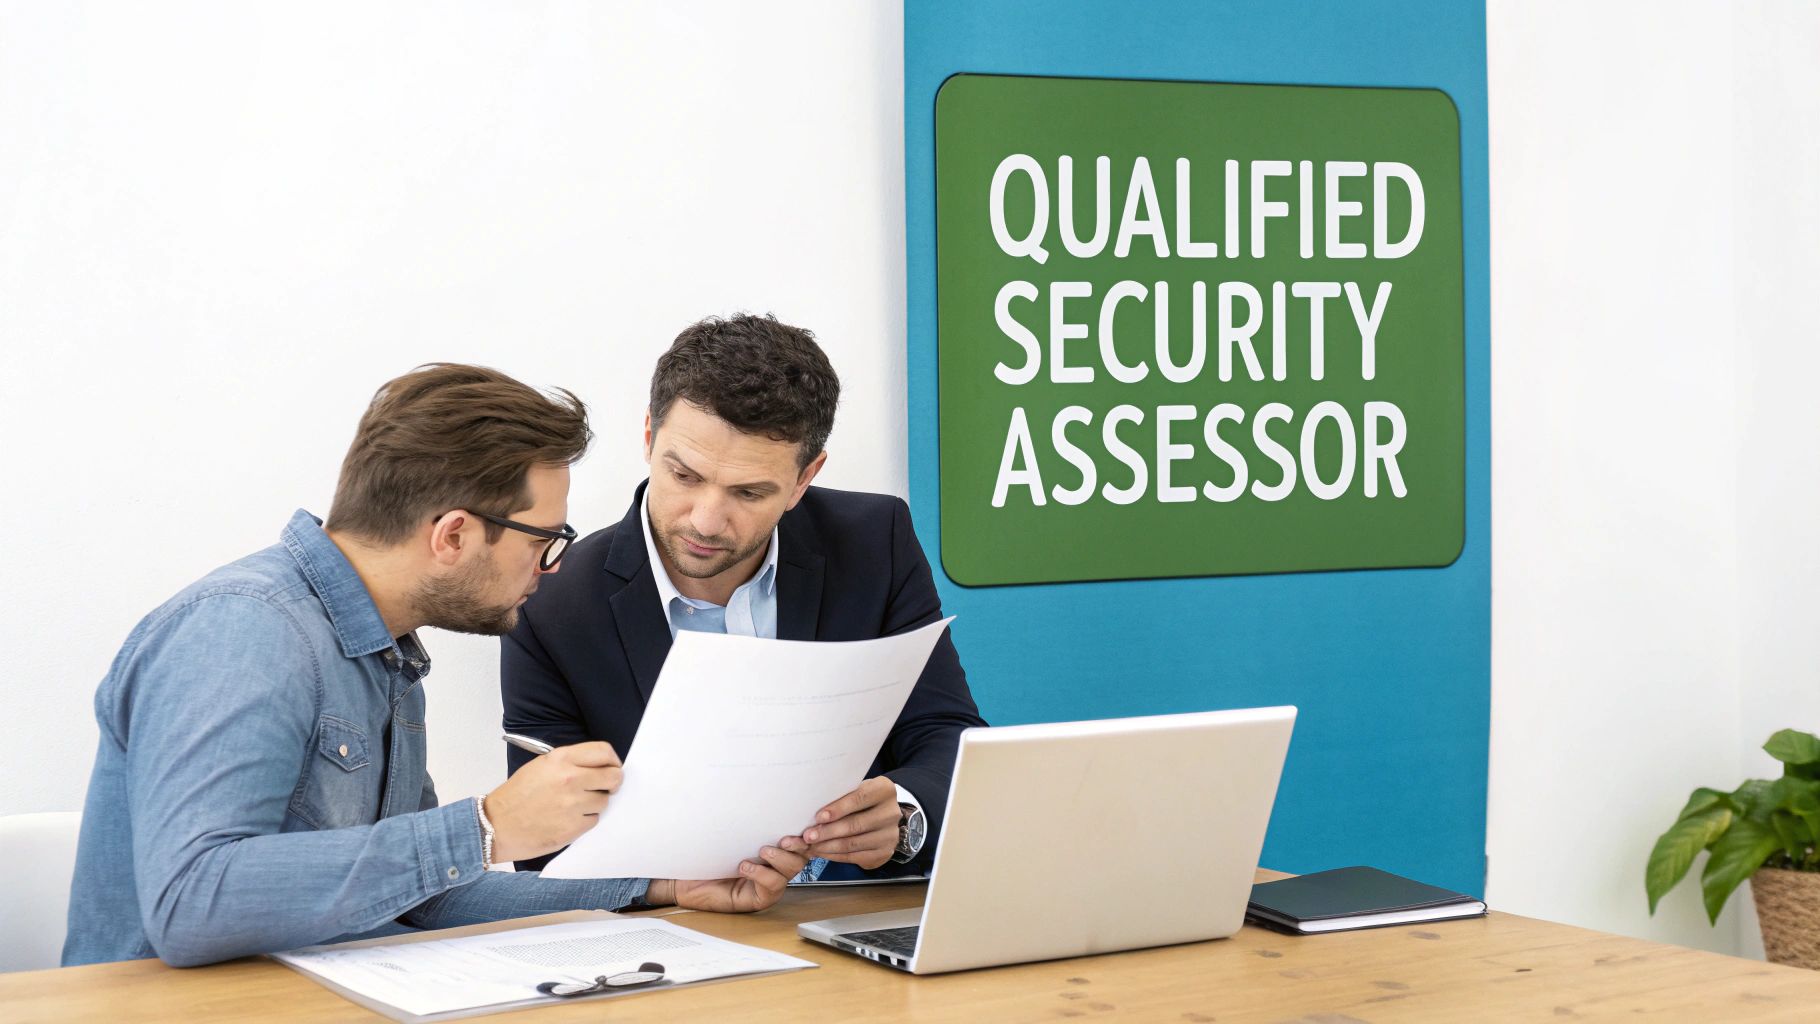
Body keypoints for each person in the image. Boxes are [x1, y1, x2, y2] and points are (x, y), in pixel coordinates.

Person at [63, 364, 805, 968]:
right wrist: (483, 828)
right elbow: (191, 905)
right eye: (545, 540)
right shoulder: (244, 629)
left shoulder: (386, 655)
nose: (551, 569)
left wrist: (658, 887)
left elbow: (422, 894)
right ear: (453, 535)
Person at [501, 314, 985, 889]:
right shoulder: (549, 598)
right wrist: (670, 891)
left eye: (749, 492)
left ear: (805, 477)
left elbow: (946, 731)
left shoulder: (875, 539)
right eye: (683, 475)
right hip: (672, 937)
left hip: (848, 910)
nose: (706, 520)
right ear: (649, 437)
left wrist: (906, 815)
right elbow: (540, 849)